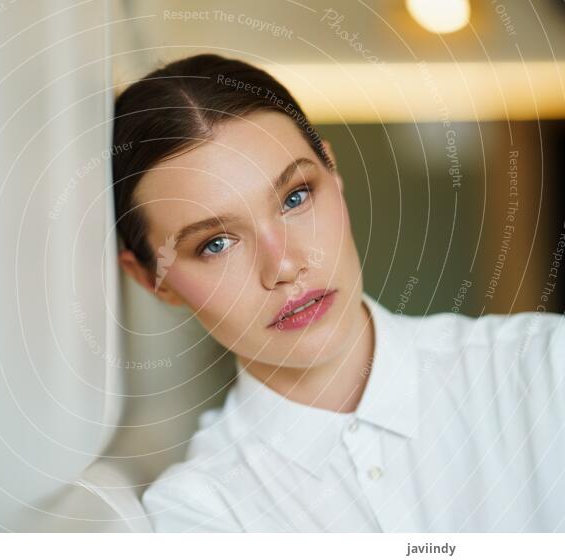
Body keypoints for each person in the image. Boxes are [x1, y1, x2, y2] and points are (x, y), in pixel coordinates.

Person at [111, 53, 565, 532]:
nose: (284, 265)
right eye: (216, 244)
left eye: (295, 197)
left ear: (333, 172)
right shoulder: (201, 515)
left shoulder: (542, 368)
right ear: (150, 280)